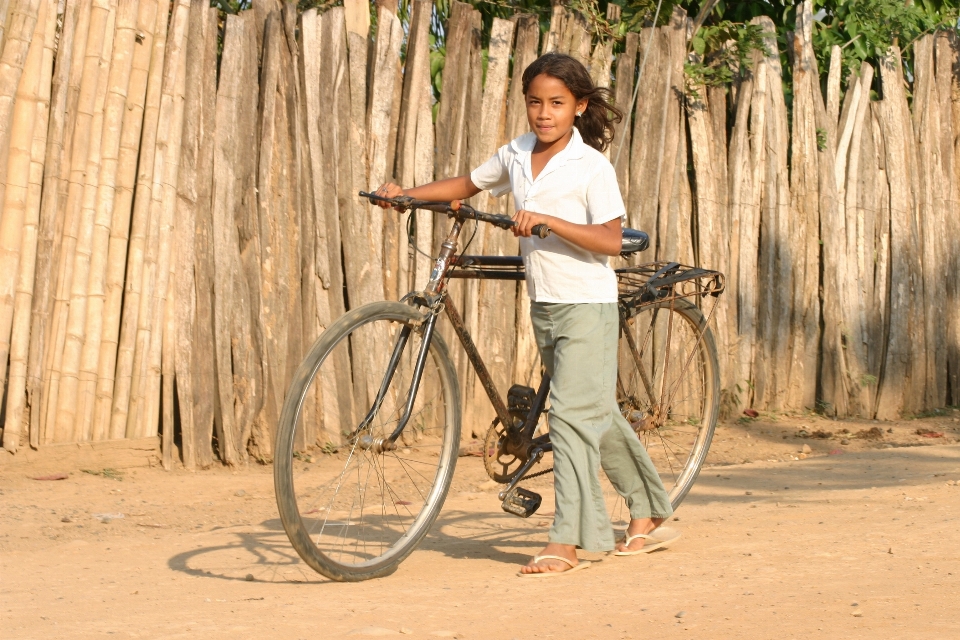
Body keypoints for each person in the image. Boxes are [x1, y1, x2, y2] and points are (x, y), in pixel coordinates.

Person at [372, 52, 676, 577]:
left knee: (574, 419)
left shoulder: (591, 166)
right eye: (535, 102)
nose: (544, 113)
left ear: (579, 107)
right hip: (546, 303)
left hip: (588, 304)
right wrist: (406, 196)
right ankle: (647, 511)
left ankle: (570, 541)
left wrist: (550, 222)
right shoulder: (516, 154)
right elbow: (468, 184)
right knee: (593, 413)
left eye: (557, 103)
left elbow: (610, 239)